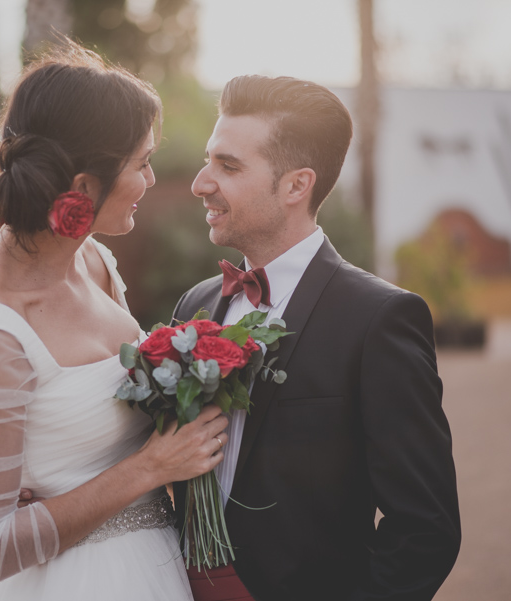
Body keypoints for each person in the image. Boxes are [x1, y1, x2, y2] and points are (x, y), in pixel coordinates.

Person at [0, 42, 229, 600]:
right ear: (83, 186)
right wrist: (148, 470)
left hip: (158, 568)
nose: (151, 179)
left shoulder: (94, 261)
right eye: (141, 163)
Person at [171, 75, 461, 601]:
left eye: (228, 166)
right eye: (208, 159)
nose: (201, 182)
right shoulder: (194, 306)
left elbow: (425, 528)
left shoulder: (380, 320)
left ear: (296, 186)